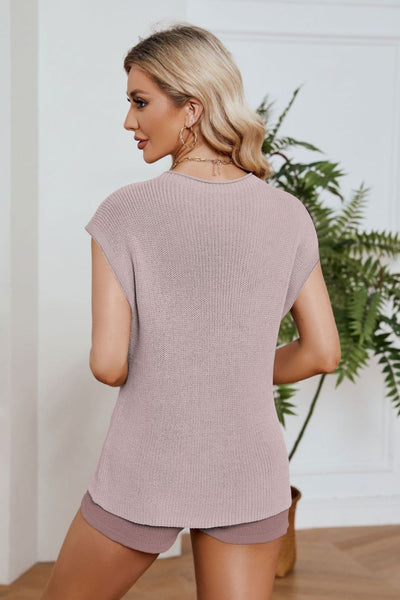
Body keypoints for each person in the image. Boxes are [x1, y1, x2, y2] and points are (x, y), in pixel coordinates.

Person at [41, 22, 340, 600]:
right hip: (248, 467)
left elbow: (108, 364)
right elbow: (323, 353)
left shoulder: (124, 213)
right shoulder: (288, 214)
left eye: (140, 101)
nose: (128, 121)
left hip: (146, 465)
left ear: (191, 109)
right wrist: (234, 369)